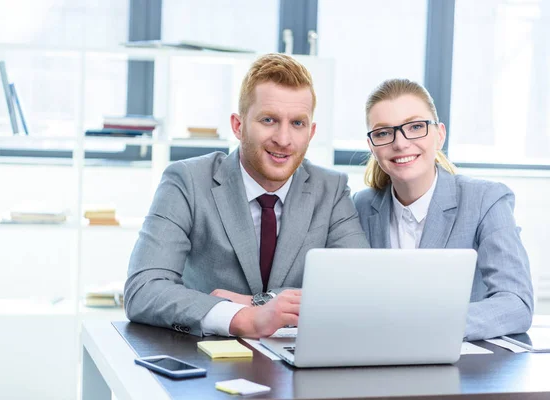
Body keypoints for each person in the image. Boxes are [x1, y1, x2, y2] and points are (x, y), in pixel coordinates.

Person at [125, 53, 369, 339]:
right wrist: (241, 318)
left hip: (295, 363)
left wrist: (260, 304)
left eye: (298, 124)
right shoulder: (187, 181)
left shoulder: (332, 189)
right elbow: (144, 288)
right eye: (269, 120)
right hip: (204, 362)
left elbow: (356, 289)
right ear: (238, 126)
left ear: (311, 132)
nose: (284, 139)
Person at [353, 78, 533, 341]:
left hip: (462, 369)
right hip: (379, 360)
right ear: (372, 146)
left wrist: (431, 327)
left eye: (415, 127)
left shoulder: (486, 199)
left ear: (439, 135)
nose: (400, 143)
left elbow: (516, 303)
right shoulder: (360, 206)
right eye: (383, 133)